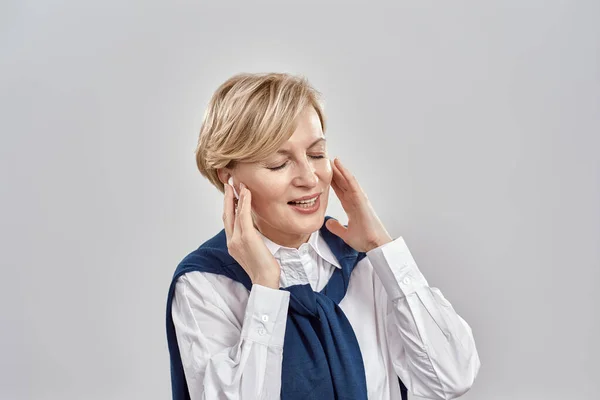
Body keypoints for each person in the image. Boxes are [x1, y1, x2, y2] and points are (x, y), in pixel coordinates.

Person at [165, 72, 481, 400]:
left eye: (316, 154)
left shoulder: (364, 265)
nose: (309, 177)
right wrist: (264, 288)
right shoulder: (206, 284)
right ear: (229, 179)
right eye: (277, 164)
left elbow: (450, 380)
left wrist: (381, 248)